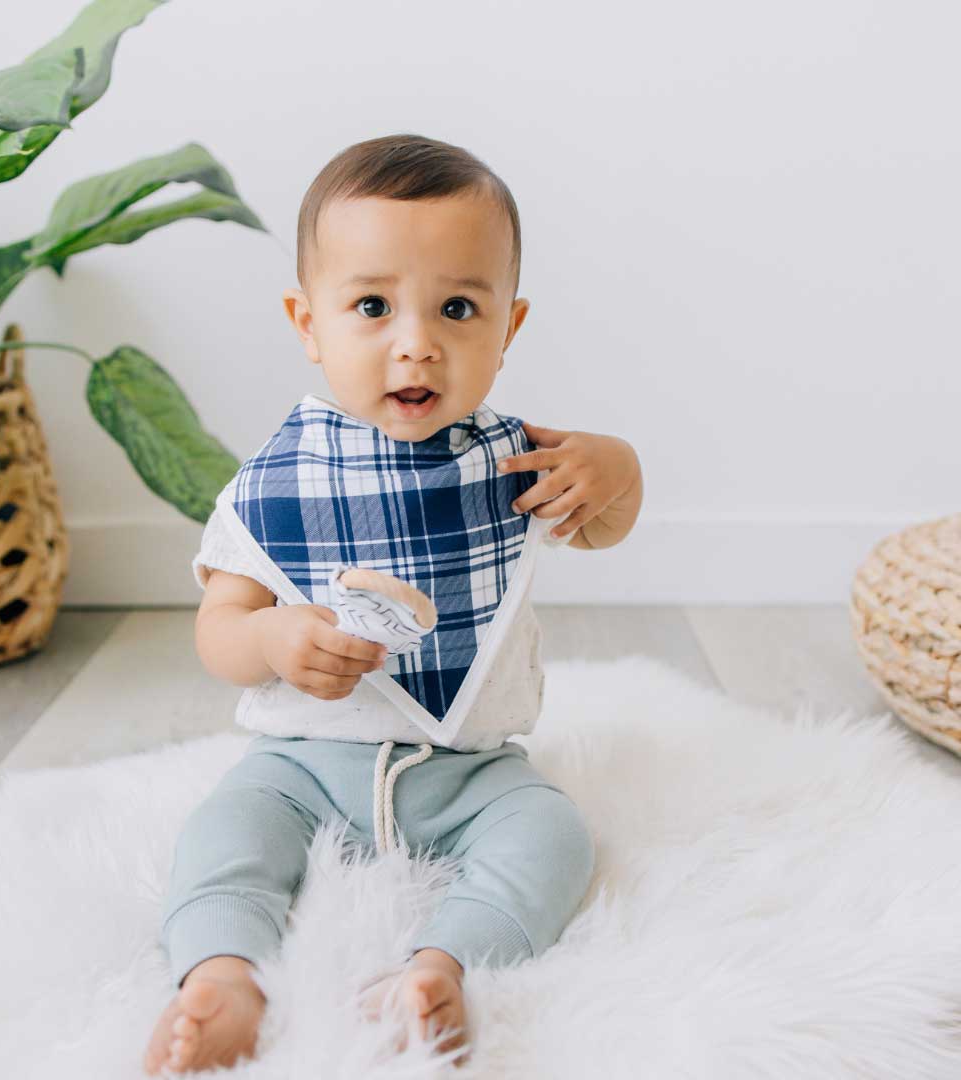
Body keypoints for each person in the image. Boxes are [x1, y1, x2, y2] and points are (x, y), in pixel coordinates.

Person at [144, 132, 644, 1075]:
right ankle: (220, 975)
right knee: (224, 833)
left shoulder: (515, 461)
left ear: (509, 326)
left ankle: (440, 967)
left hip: (466, 771)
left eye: (458, 307)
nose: (416, 339)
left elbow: (604, 523)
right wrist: (270, 635)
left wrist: (617, 468)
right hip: (300, 763)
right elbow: (218, 630)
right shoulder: (277, 479)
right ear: (307, 322)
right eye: (371, 305)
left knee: (554, 832)